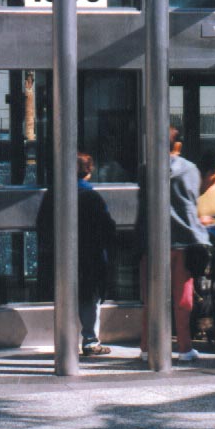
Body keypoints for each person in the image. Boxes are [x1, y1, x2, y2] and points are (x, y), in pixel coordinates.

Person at [168, 126, 211, 360]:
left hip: (155, 242)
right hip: (183, 242)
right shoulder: (190, 169)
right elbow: (190, 203)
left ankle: (147, 346)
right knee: (183, 298)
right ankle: (184, 347)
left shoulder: (147, 168)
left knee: (151, 297)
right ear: (179, 145)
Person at [76, 152, 118, 360]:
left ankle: (66, 338)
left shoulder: (56, 194)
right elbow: (108, 227)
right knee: (90, 298)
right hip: (91, 256)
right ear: (89, 171)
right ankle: (90, 341)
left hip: (69, 257)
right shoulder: (91, 196)